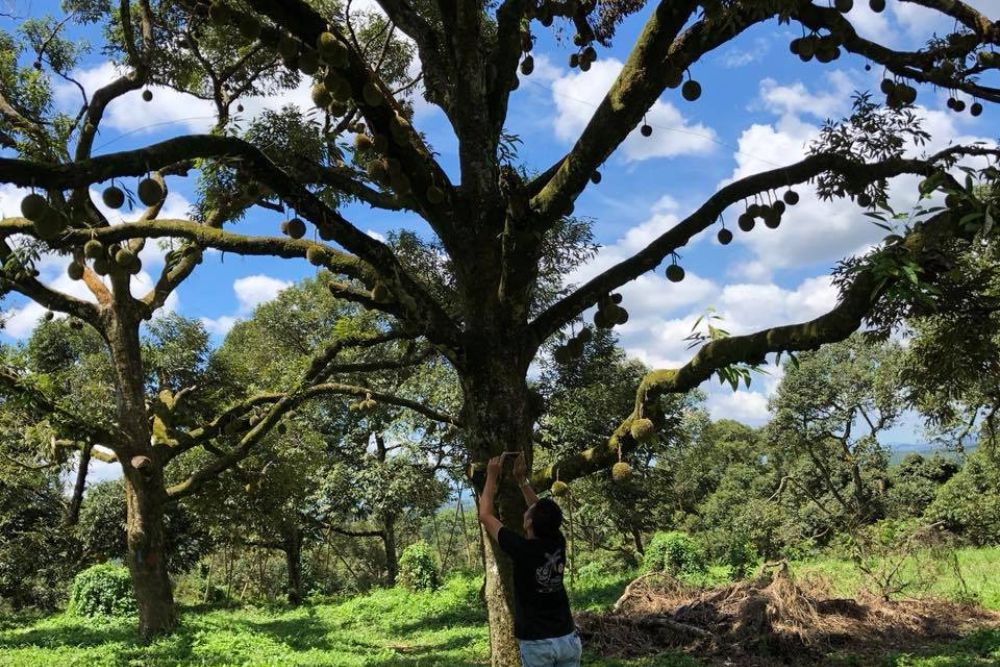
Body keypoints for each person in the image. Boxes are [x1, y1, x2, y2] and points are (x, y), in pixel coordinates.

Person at [478, 452, 581, 667]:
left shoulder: (522, 549)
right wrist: (522, 481)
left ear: (528, 524)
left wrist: (491, 475)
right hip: (567, 638)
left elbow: (486, 515)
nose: (527, 511)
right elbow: (542, 513)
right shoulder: (558, 542)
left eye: (528, 514)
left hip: (537, 644)